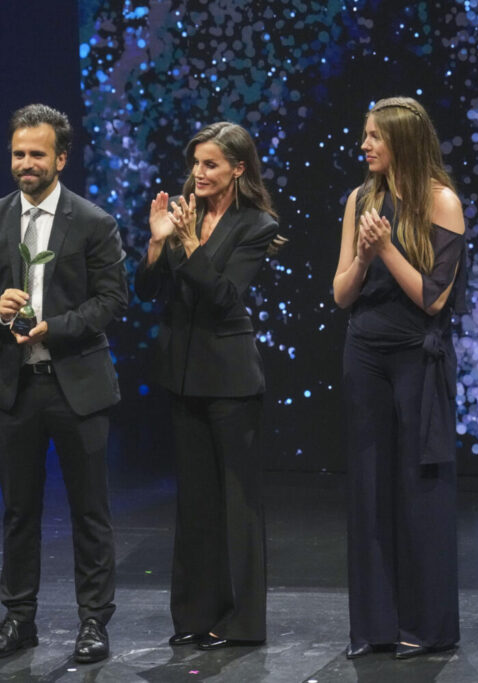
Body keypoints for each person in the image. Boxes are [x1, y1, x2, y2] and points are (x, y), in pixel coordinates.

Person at [0, 104, 127, 664]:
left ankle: (93, 622)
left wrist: (52, 328)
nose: (26, 163)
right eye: (18, 153)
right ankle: (18, 618)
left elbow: (112, 300)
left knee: (89, 510)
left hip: (76, 384)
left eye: (37, 154)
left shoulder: (92, 220)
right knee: (18, 510)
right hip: (16, 386)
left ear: (61, 157)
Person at [134, 122, 279, 650]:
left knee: (237, 504)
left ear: (238, 169)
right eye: (196, 163)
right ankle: (196, 615)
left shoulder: (256, 225)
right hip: (184, 375)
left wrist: (192, 245)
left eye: (211, 164)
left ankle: (242, 622)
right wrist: (157, 243)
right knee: (195, 503)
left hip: (231, 380)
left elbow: (222, 297)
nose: (198, 173)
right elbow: (149, 289)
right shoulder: (180, 215)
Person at [333, 96, 466, 660]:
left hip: (417, 355)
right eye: (364, 136)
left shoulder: (442, 202)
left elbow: (434, 299)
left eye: (374, 137)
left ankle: (427, 625)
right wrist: (363, 258)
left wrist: (386, 248)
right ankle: (375, 627)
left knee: (419, 487)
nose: (364, 145)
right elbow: (341, 293)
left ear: (402, 142)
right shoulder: (360, 199)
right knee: (368, 486)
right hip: (365, 352)